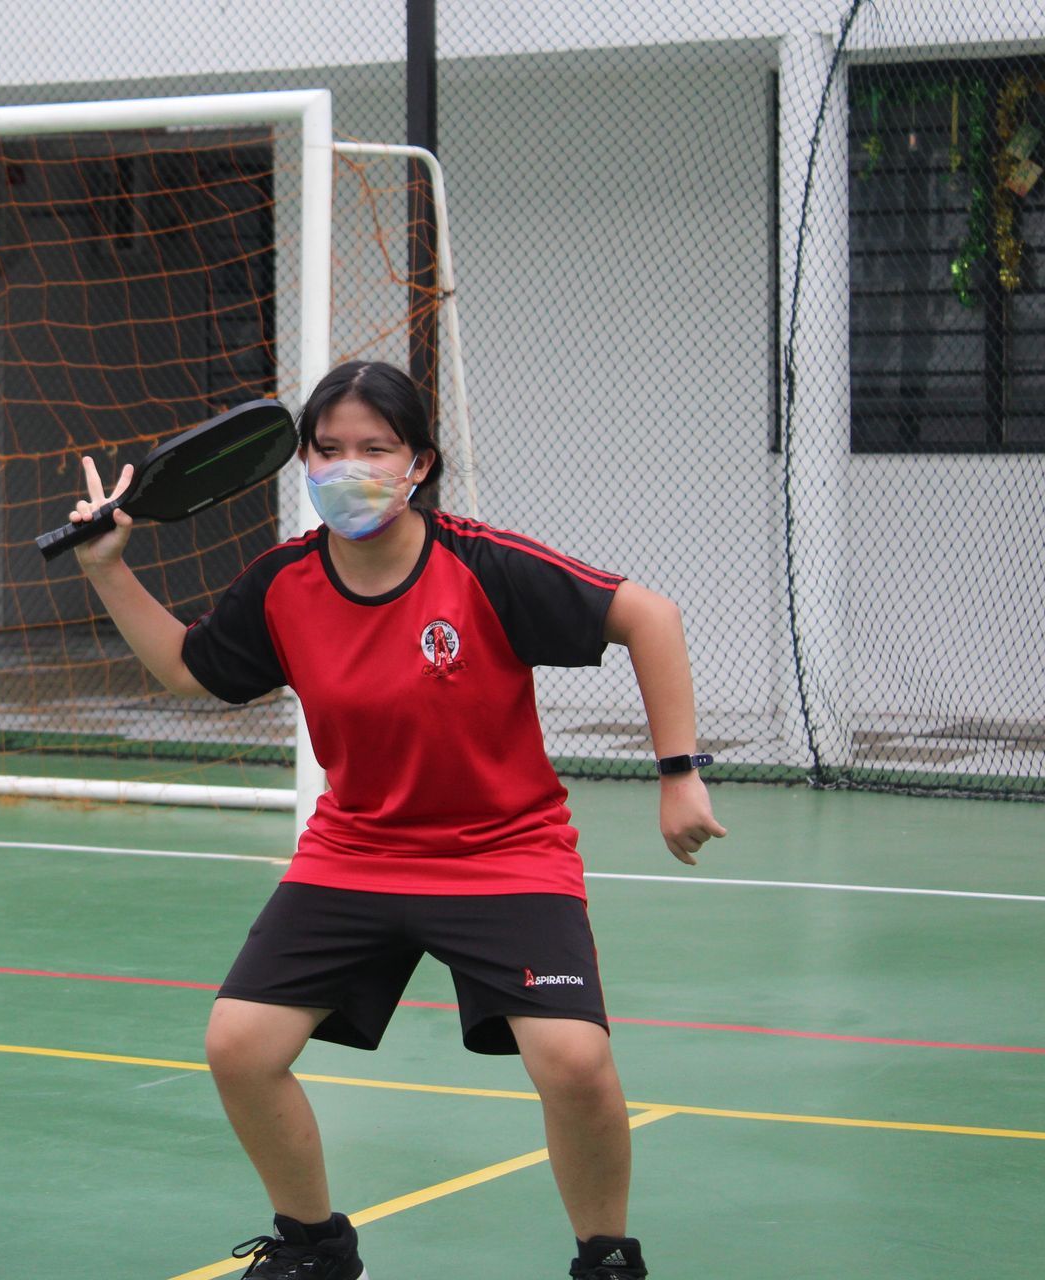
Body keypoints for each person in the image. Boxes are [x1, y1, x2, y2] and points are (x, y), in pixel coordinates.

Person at [64, 361, 726, 1280]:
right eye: (328, 449)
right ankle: (314, 1250)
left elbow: (649, 617)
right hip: (357, 851)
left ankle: (607, 1260)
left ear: (419, 463)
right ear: (303, 461)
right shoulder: (284, 584)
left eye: (375, 448)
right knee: (238, 1046)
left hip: (502, 852)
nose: (350, 467)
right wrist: (107, 570)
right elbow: (188, 667)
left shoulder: (483, 565)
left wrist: (678, 775)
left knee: (573, 1060)